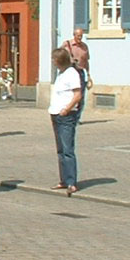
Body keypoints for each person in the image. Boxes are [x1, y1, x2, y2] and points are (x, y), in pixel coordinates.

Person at [49, 46, 84, 196]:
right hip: (55, 113)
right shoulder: (61, 74)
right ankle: (63, 179)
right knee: (61, 150)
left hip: (66, 115)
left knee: (68, 149)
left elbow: (77, 95)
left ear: (59, 60)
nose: (52, 61)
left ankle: (71, 182)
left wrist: (67, 109)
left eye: (54, 59)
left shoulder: (72, 73)